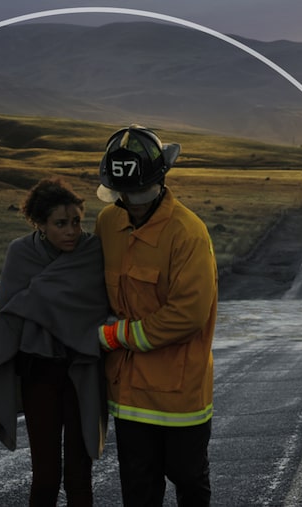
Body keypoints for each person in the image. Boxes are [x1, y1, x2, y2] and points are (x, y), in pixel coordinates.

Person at [93, 125, 218, 506]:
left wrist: (116, 337)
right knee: (138, 487)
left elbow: (188, 314)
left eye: (137, 195)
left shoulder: (187, 233)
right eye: (125, 195)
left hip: (179, 395)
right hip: (128, 394)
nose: (131, 203)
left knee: (188, 479)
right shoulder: (107, 224)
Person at [0, 176, 109, 507]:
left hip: (82, 369)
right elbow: (9, 316)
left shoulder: (93, 251)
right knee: (46, 474)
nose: (71, 231)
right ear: (40, 224)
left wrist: (38, 299)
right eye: (60, 224)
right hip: (39, 372)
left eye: (76, 222)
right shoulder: (21, 253)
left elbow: (98, 306)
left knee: (80, 475)